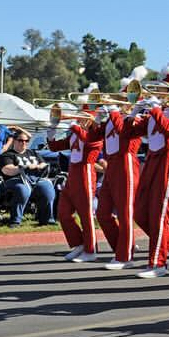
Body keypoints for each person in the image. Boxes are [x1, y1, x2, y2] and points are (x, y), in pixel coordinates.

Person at [129, 54, 169, 277]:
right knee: (140, 213)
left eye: (163, 89)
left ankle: (157, 263)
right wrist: (132, 114)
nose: (157, 92)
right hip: (152, 160)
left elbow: (168, 128)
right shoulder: (154, 113)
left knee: (158, 214)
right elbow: (130, 133)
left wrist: (155, 110)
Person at [47, 111, 103, 261]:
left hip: (85, 174)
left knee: (86, 215)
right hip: (72, 174)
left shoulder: (96, 135)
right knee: (63, 213)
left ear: (91, 120)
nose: (80, 120)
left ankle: (91, 250)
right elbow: (54, 147)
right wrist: (52, 130)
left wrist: (73, 125)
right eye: (80, 117)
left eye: (84, 118)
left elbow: (88, 141)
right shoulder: (75, 134)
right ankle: (79, 243)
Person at [94, 99, 142, 268]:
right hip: (111, 164)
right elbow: (92, 138)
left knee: (125, 213)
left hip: (126, 162)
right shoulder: (111, 119)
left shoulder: (134, 119)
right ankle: (123, 248)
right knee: (102, 213)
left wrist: (114, 111)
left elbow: (124, 132)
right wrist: (96, 120)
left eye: (121, 101)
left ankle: (125, 256)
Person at [0, 129, 57, 226]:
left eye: (26, 141)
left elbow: (43, 163)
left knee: (47, 187)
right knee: (23, 189)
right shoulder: (7, 155)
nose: (24, 143)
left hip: (35, 180)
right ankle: (15, 221)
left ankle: (47, 220)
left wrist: (40, 166)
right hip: (15, 181)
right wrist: (23, 167)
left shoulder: (33, 153)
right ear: (14, 141)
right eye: (20, 140)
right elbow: (7, 170)